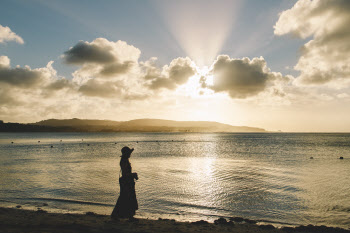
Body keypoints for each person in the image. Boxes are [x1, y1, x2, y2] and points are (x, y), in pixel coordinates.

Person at [111, 146, 138, 221]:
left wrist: (133, 175)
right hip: (126, 182)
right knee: (125, 198)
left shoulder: (125, 160)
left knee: (126, 198)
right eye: (129, 153)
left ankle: (128, 216)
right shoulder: (124, 161)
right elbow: (125, 174)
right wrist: (133, 174)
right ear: (126, 153)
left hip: (127, 181)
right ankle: (118, 215)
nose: (130, 154)